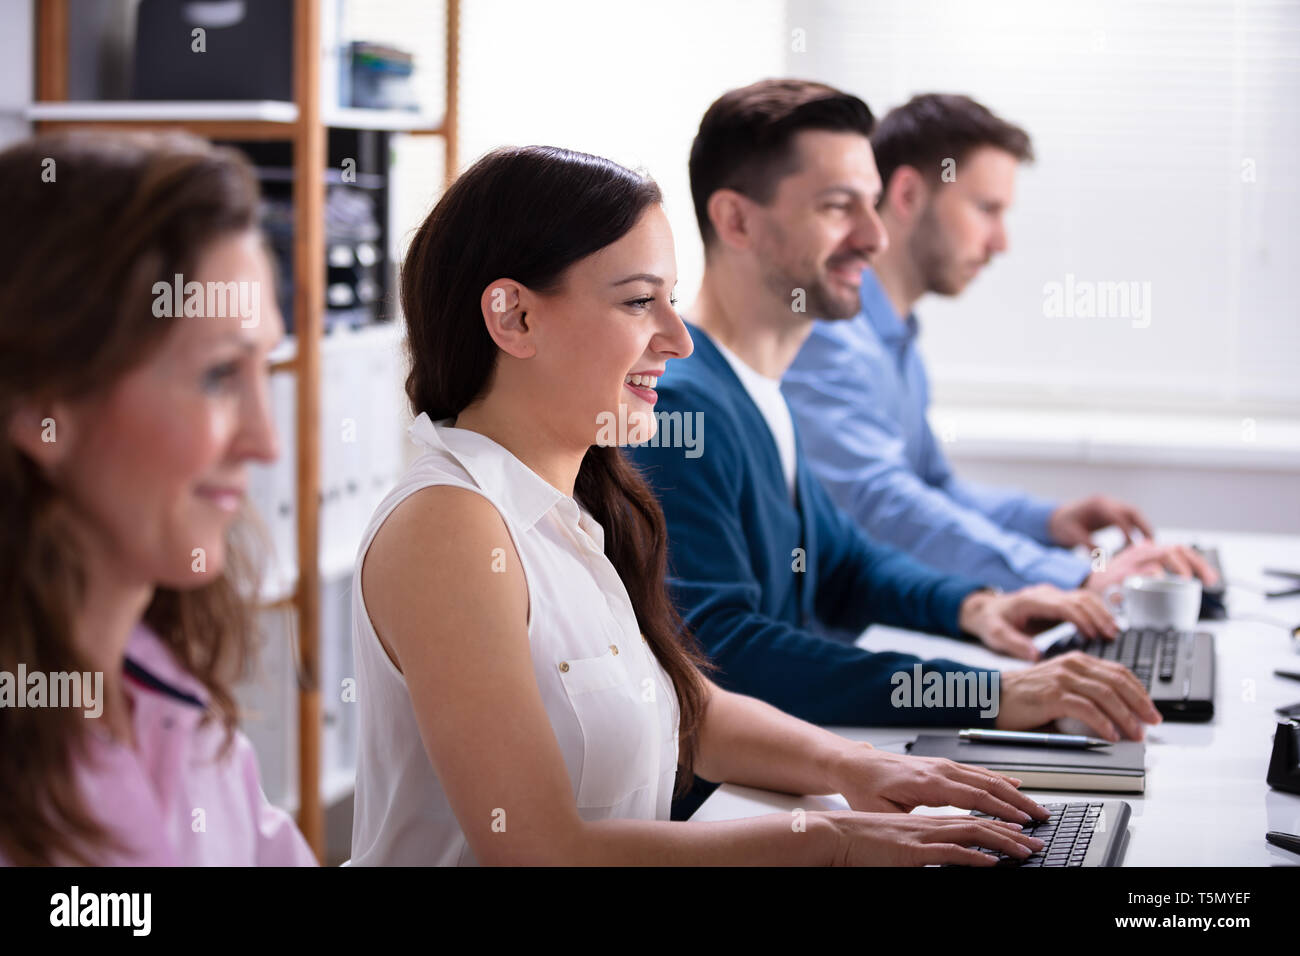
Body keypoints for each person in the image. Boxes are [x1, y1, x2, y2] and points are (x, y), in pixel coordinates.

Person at [350, 144, 1053, 867]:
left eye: (672, 301)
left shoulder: (579, 504)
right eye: (637, 301)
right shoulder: (450, 526)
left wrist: (856, 767)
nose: (679, 340)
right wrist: (833, 840)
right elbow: (538, 849)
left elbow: (686, 709)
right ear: (514, 317)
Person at [625, 80, 1161, 818]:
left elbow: (844, 562)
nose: (876, 238)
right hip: (723, 817)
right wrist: (985, 692)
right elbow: (727, 653)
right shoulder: (683, 407)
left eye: (874, 206)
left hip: (781, 790)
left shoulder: (759, 388)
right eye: (839, 207)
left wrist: (978, 607)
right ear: (737, 221)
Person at [0, 130, 315, 866]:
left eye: (265, 367)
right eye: (217, 375)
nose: (266, 442)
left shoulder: (172, 705)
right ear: (42, 405)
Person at [783, 93, 1217, 594]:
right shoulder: (829, 338)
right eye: (987, 209)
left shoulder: (893, 338)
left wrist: (1049, 521)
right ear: (907, 195)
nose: (1000, 243)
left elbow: (934, 488)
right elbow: (883, 507)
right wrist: (1076, 575)